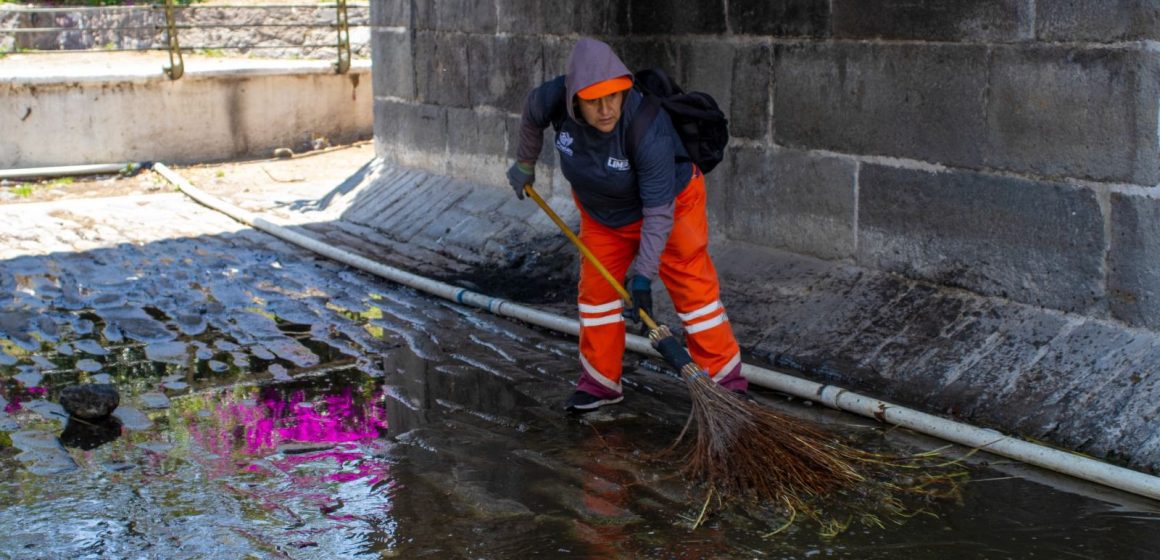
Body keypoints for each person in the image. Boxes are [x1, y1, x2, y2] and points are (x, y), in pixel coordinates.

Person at [507, 37, 747, 412]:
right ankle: (600, 384)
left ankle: (726, 384)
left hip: (671, 207)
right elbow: (531, 116)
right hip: (602, 215)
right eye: (593, 101)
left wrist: (642, 279)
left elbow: (658, 212)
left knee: (693, 292)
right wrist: (525, 163)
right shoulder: (552, 97)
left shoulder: (647, 127)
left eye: (614, 97)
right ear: (574, 100)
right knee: (597, 296)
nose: (606, 110)